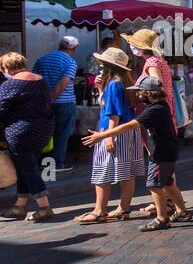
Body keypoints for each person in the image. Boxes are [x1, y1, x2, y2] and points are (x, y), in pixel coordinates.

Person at [82, 75, 190, 231]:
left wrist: (103, 135)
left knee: (154, 185)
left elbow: (129, 126)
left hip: (160, 153)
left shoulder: (155, 110)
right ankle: (182, 212)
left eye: (140, 92)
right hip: (167, 151)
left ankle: (161, 218)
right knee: (168, 183)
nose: (138, 95)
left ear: (148, 93)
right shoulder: (161, 106)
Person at [122, 28, 189, 220]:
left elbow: (155, 83)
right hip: (166, 114)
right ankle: (168, 202)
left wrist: (146, 97)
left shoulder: (151, 62)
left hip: (158, 116)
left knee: (158, 159)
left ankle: (165, 204)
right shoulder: (160, 60)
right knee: (164, 162)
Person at [78, 47, 144, 223]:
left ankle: (99, 210)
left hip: (115, 130)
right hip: (128, 130)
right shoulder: (124, 82)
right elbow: (109, 106)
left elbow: (113, 113)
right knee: (127, 172)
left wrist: (108, 136)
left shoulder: (114, 84)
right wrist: (100, 89)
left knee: (102, 171)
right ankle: (124, 208)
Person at [0, 52, 56, 222]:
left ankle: (44, 206)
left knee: (28, 169)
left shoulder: (10, 85)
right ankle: (19, 206)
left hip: (19, 133)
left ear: (7, 68)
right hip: (42, 131)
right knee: (26, 167)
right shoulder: (41, 81)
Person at [31, 35, 79, 171]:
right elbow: (64, 82)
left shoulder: (42, 59)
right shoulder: (70, 62)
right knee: (62, 133)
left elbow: (34, 79)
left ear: (60, 45)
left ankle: (41, 161)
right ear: (75, 48)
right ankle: (55, 164)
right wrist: (52, 98)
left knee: (45, 132)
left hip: (42, 102)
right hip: (63, 102)